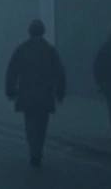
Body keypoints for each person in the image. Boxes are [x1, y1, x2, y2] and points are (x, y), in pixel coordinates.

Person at [5, 19, 66, 168]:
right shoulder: (50, 50)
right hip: (45, 93)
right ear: (43, 32)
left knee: (30, 123)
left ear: (30, 31)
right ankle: (38, 149)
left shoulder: (22, 49)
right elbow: (60, 73)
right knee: (42, 124)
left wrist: (11, 91)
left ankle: (34, 151)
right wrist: (60, 93)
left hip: (27, 93)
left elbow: (12, 72)